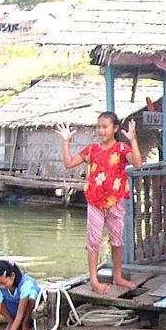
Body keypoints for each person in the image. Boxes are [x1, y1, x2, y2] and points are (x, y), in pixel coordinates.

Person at [56, 112, 143, 294]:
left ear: (115, 128)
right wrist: (66, 142)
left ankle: (117, 275)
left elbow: (137, 164)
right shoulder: (92, 149)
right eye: (99, 127)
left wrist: (133, 140)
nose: (101, 131)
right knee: (94, 241)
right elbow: (69, 163)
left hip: (115, 201)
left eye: (105, 127)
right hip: (95, 201)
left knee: (117, 240)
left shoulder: (121, 148)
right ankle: (94, 280)